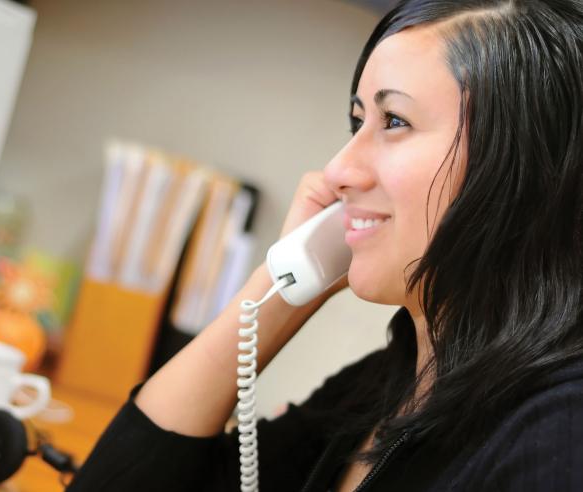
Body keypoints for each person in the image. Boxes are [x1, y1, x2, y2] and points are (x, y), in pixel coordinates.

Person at [66, 0, 583, 490]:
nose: (337, 170)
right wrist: (284, 283)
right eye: (358, 122)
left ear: (525, 173)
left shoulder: (558, 436)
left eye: (395, 121)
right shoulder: (386, 385)